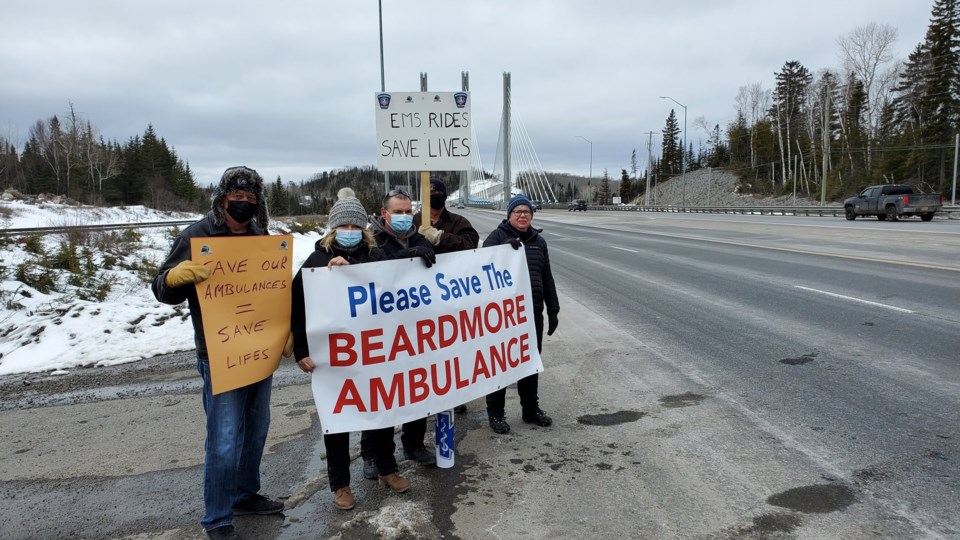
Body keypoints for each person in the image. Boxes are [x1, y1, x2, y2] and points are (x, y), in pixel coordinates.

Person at [151, 166, 284, 540]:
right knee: (224, 438)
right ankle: (217, 518)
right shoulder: (198, 235)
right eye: (235, 198)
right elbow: (162, 287)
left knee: (256, 430)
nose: (242, 204)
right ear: (222, 199)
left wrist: (283, 330)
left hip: (259, 348)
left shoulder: (261, 235)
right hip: (218, 352)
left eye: (250, 199)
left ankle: (244, 494)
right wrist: (174, 278)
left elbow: (273, 291)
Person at [290, 188, 410, 511]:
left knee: (381, 412)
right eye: (343, 227)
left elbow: (394, 290)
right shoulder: (315, 261)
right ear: (333, 229)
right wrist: (301, 348)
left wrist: (355, 274)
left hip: (373, 354)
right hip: (334, 359)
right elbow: (297, 307)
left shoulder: (376, 257)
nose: (350, 233)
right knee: (338, 419)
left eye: (355, 227)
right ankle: (340, 484)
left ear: (364, 229)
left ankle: (387, 467)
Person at [360, 189, 437, 478]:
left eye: (408, 211)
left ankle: (414, 444)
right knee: (381, 394)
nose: (405, 217)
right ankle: (372, 454)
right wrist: (406, 258)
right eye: (398, 211)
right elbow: (366, 275)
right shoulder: (370, 242)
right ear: (384, 213)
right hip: (381, 335)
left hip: (414, 332)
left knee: (416, 388)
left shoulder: (419, 239)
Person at [482, 194, 559, 434]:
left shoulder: (539, 241)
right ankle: (496, 413)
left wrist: (553, 308)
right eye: (518, 212)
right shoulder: (497, 238)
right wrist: (503, 251)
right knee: (501, 364)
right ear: (509, 216)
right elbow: (481, 270)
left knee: (530, 363)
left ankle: (530, 410)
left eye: (527, 211)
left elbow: (546, 276)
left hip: (532, 313)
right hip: (503, 316)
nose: (523, 215)